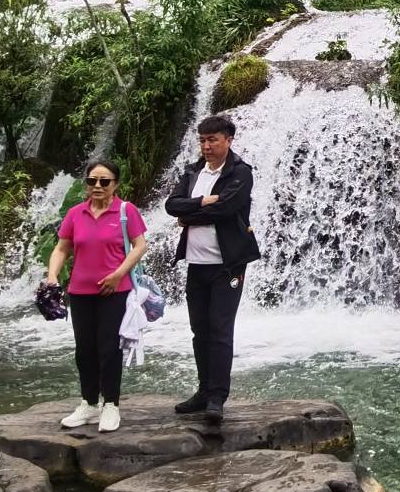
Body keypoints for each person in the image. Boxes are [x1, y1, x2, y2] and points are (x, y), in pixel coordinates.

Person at [166, 113, 261, 426]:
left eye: (213, 140)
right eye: (203, 140)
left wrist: (190, 214)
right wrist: (204, 202)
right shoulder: (193, 171)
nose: (206, 146)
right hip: (197, 264)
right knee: (199, 331)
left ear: (228, 140)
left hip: (228, 265)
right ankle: (203, 391)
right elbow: (171, 205)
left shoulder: (240, 172)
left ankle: (217, 398)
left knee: (220, 331)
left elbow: (227, 209)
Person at [44, 157, 148, 435]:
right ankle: (89, 403)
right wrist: (52, 275)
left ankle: (111, 404)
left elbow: (140, 246)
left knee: (109, 348)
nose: (98, 186)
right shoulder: (76, 213)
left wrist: (118, 274)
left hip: (115, 290)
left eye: (104, 181)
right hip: (79, 291)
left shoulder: (126, 211)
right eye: (92, 181)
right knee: (84, 349)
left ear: (115, 184)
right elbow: (62, 248)